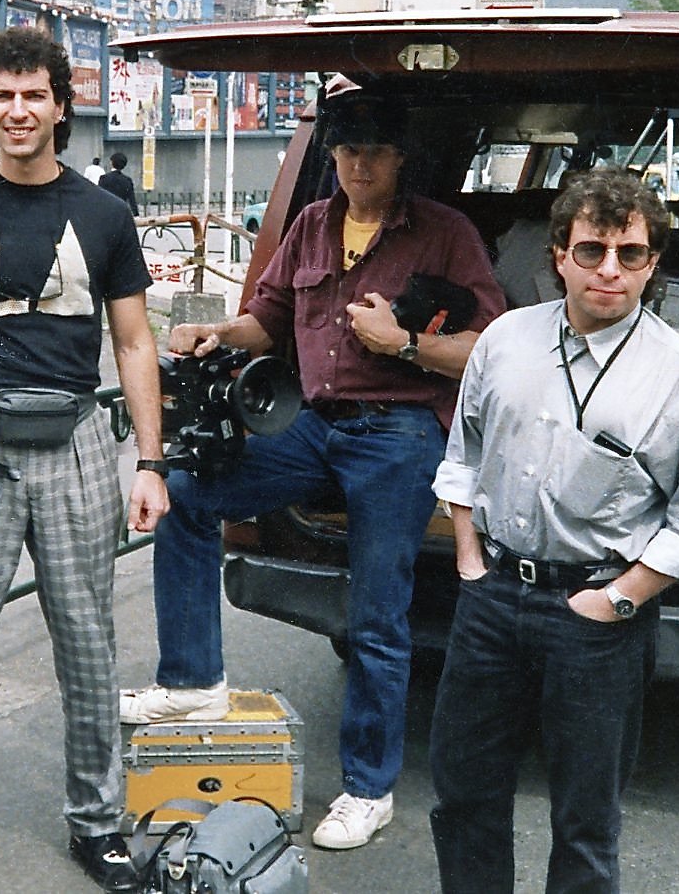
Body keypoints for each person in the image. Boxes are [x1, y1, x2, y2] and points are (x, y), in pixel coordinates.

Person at [118, 88, 506, 851]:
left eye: (376, 152)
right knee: (187, 496)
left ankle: (368, 788)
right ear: (332, 157)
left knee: (376, 610)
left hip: (397, 431)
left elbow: (490, 351)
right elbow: (263, 322)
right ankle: (193, 684)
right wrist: (211, 333)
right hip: (310, 423)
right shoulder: (311, 224)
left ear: (400, 160)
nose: (360, 164)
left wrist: (400, 344)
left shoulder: (444, 234)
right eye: (348, 151)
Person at [428, 167, 679, 892]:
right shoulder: (505, 340)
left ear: (652, 262)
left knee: (584, 819)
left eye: (628, 254)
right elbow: (463, 455)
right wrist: (470, 563)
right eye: (590, 249)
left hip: (597, 615)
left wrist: (620, 599)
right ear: (559, 255)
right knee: (464, 794)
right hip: (493, 597)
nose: (609, 270)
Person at [0, 26, 170, 893]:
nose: (17, 111)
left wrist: (150, 463)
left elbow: (133, 343)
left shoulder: (102, 214)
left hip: (75, 436)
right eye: (2, 95)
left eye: (33, 96)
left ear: (62, 106)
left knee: (87, 644)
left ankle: (96, 823)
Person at [97, 150, 138, 216]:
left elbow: (99, 197)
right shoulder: (127, 180)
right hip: (121, 213)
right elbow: (132, 200)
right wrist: (136, 214)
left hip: (107, 212)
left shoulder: (104, 178)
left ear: (111, 163)